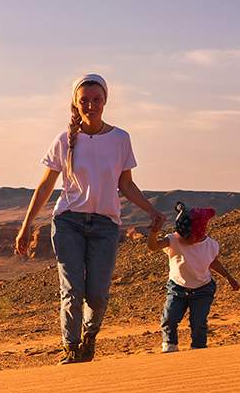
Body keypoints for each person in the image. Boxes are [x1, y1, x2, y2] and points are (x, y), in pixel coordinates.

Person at [16, 74, 166, 364]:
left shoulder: (120, 139)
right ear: (75, 102)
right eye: (84, 100)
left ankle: (89, 336)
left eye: (97, 99)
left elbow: (126, 184)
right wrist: (26, 225)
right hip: (68, 221)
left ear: (106, 100)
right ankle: (71, 349)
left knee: (97, 295)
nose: (91, 105)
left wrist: (151, 209)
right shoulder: (64, 140)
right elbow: (46, 185)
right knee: (73, 289)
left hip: (106, 225)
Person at [147, 202, 240, 352]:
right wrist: (153, 232)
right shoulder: (173, 240)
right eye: (185, 237)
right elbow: (154, 246)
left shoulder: (211, 245)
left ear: (202, 233)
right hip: (177, 288)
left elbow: (213, 262)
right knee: (169, 318)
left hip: (202, 290)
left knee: (198, 321)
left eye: (193, 238)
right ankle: (169, 344)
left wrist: (228, 277)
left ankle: (198, 348)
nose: (189, 241)